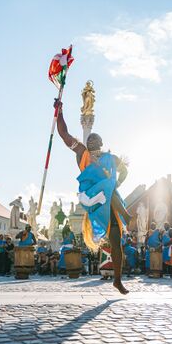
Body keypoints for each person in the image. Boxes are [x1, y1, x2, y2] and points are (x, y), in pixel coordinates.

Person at [54, 99, 131, 294]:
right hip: (91, 199)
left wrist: (118, 182)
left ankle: (117, 280)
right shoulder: (82, 153)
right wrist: (59, 113)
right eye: (89, 140)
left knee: (116, 241)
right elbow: (64, 134)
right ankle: (127, 215)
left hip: (109, 202)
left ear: (101, 143)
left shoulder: (110, 158)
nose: (91, 141)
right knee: (108, 186)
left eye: (94, 140)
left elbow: (124, 171)